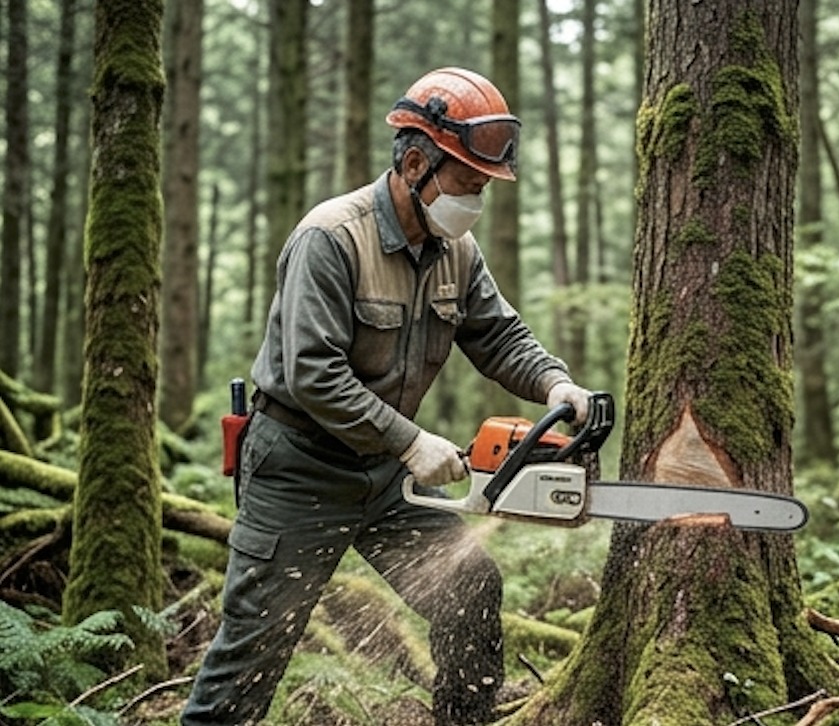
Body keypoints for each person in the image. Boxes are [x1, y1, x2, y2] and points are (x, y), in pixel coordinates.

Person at [181, 66, 591, 726]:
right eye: (466, 182)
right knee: (251, 655)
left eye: (484, 185)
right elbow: (313, 374)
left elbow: (497, 334)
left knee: (470, 586)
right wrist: (411, 440)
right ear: (413, 162)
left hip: (384, 474)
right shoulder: (331, 238)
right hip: (299, 469)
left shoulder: (457, 248)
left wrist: (555, 381)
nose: (476, 198)